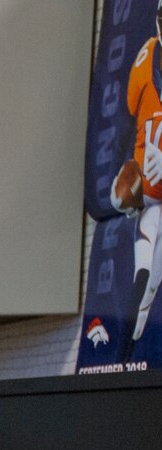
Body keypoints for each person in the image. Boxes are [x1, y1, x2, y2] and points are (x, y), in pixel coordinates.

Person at [113, 4, 162, 360]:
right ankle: (120, 362)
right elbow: (129, 119)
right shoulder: (146, 56)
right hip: (153, 196)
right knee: (142, 277)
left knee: (151, 282)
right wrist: (126, 170)